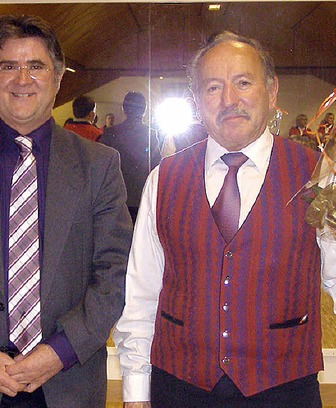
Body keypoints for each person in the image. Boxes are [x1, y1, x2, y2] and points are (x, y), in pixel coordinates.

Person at [113, 31, 336, 407]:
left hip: (283, 389)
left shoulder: (318, 176)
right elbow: (141, 293)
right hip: (180, 387)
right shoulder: (163, 179)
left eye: (243, 83)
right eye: (213, 87)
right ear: (197, 102)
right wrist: (136, 391)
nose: (229, 100)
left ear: (272, 90)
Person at [0, 14, 132, 407]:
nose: (22, 79)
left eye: (36, 66)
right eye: (8, 66)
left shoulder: (99, 165)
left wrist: (60, 352)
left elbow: (115, 273)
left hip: (67, 380)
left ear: (57, 79)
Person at [99, 91, 160, 222]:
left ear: (124, 109)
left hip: (113, 194)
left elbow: (101, 165)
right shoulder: (151, 135)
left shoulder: (110, 133)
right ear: (144, 110)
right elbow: (156, 167)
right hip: (142, 195)